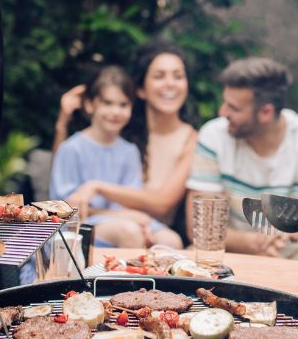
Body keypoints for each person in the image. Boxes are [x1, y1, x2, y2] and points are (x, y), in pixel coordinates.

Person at [186, 57, 298, 312]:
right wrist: (253, 243)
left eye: (233, 107)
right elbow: (199, 229)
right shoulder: (214, 136)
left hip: (294, 252)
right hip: (233, 252)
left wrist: (294, 232)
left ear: (265, 112)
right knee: (187, 255)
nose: (223, 112)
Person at [61, 42, 198, 240]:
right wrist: (62, 122)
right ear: (141, 90)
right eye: (159, 76)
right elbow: (68, 185)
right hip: (110, 223)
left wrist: (97, 186)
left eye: (178, 76)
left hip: (153, 228)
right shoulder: (121, 127)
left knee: (170, 241)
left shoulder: (192, 140)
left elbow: (163, 204)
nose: (170, 83)